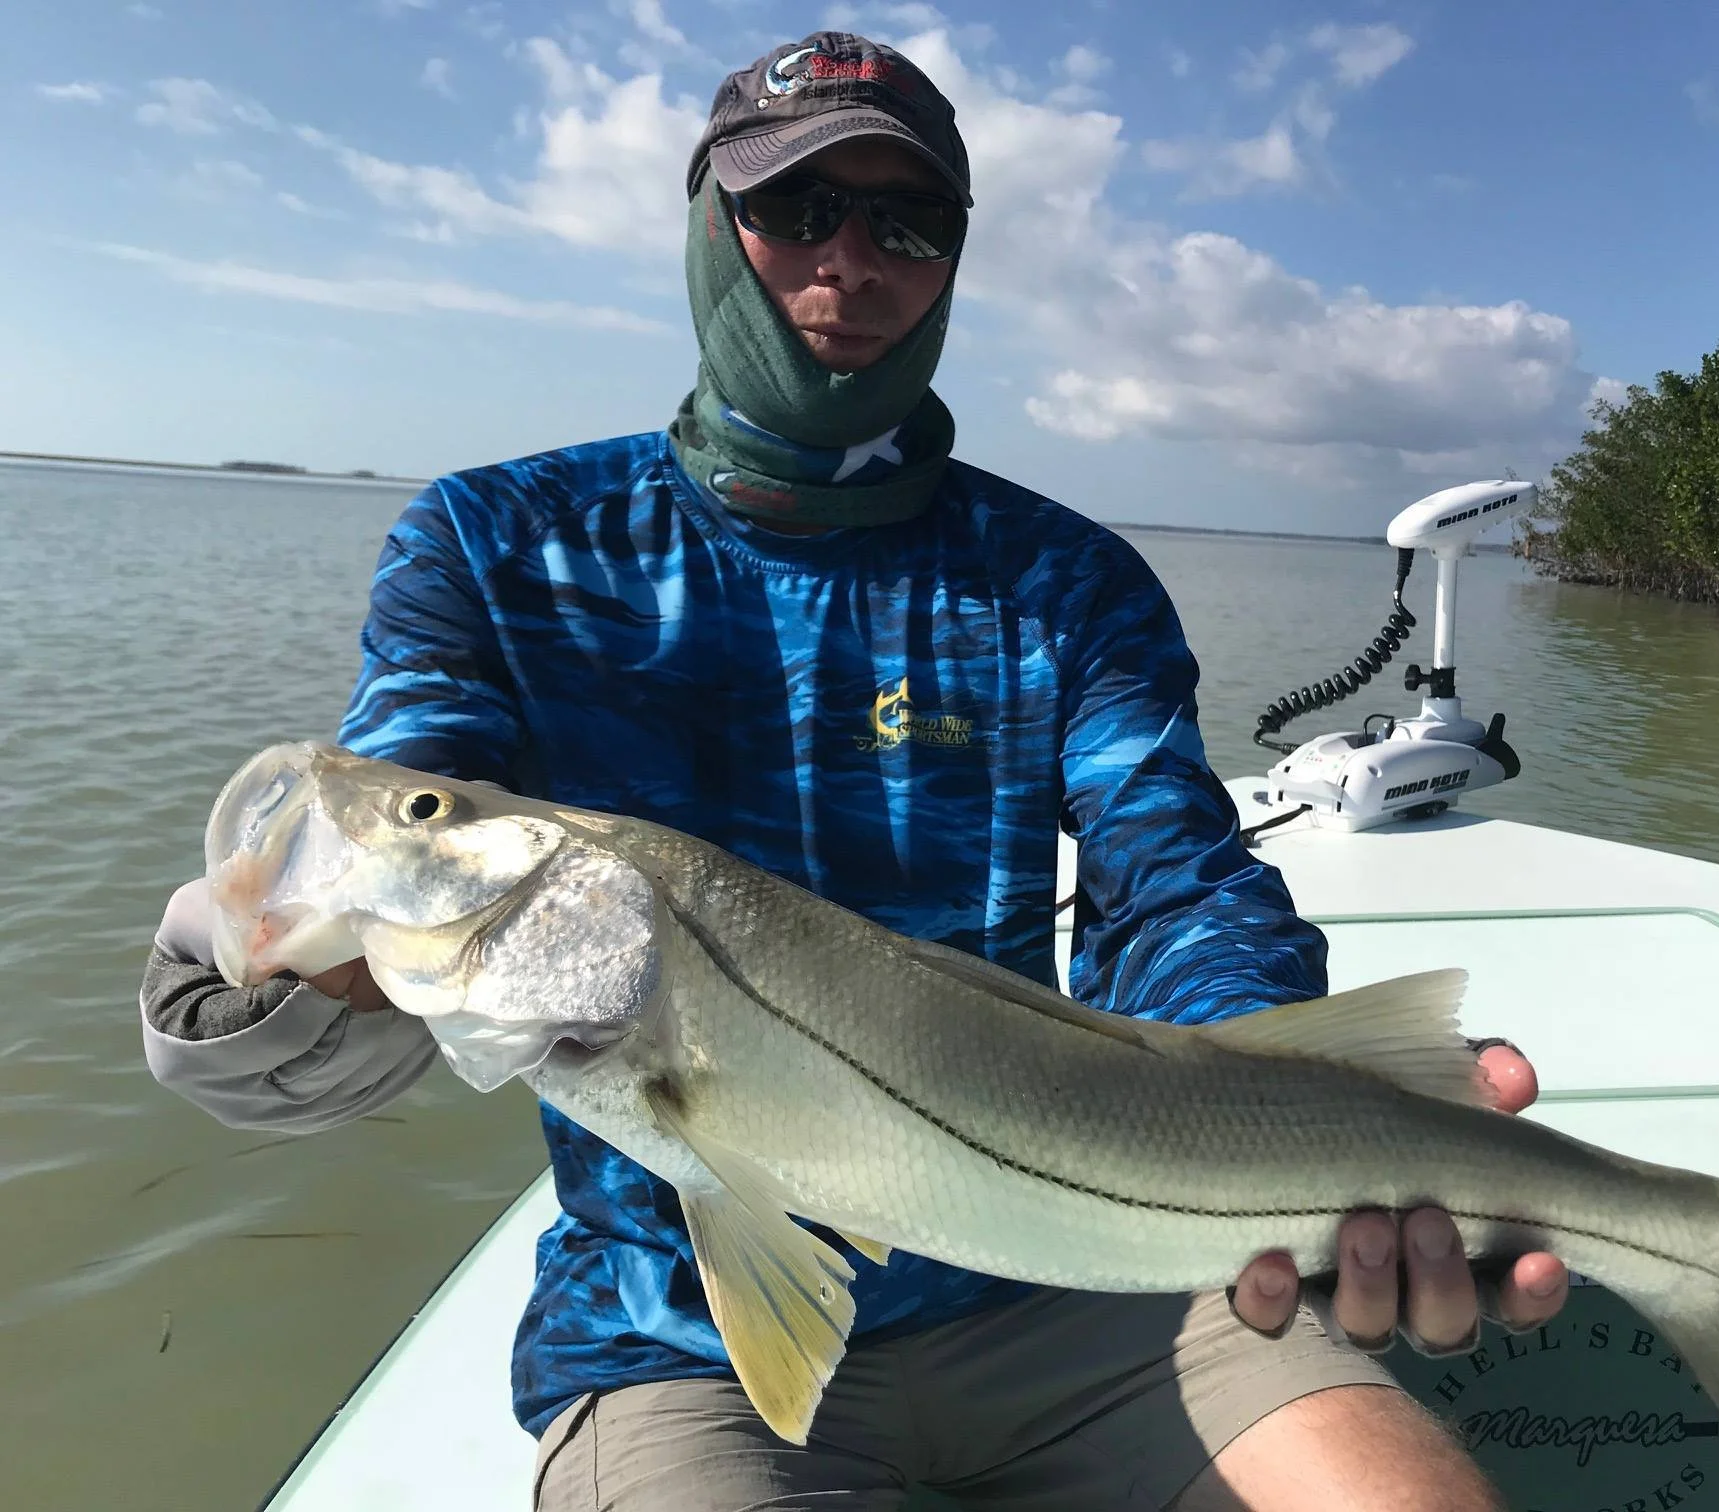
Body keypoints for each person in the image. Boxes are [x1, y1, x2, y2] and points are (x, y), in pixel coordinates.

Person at [141, 32, 1566, 1511]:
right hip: (672, 1327)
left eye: (906, 224)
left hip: (1081, 1277)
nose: (850, 262)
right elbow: (418, 783)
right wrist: (284, 959)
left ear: (952, 262)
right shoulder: (500, 547)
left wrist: (1296, 1095)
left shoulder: (1063, 579)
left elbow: (1175, 883)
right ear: (710, 225)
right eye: (795, 206)